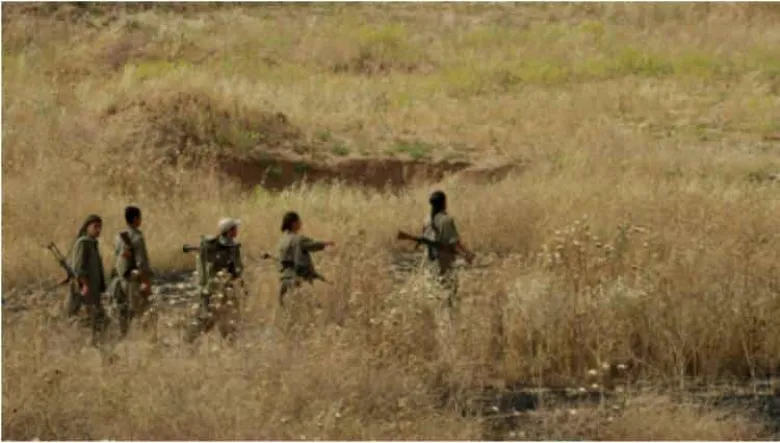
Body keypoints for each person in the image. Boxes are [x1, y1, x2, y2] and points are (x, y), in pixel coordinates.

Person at [184, 218, 245, 345]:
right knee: (208, 319)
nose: (237, 230)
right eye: (234, 228)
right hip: (216, 289)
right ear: (229, 231)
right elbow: (210, 266)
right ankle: (189, 340)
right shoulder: (216, 247)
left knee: (230, 319)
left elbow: (236, 269)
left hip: (226, 288)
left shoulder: (230, 246)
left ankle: (230, 343)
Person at [420, 190, 474, 314]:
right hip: (444, 262)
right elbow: (455, 243)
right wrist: (466, 255)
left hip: (430, 261)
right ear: (444, 203)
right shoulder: (446, 220)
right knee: (449, 294)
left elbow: (424, 238)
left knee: (434, 292)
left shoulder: (427, 220)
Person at [108, 206, 155, 339]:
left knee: (123, 314)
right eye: (140, 217)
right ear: (135, 219)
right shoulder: (137, 237)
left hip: (120, 281)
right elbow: (141, 263)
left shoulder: (119, 237)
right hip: (134, 282)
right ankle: (146, 340)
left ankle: (121, 338)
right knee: (146, 313)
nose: (141, 220)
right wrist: (146, 283)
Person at [276, 211, 334, 308]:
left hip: (284, 281)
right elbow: (313, 245)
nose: (301, 223)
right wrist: (326, 243)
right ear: (294, 223)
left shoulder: (282, 240)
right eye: (299, 221)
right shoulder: (299, 239)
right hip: (298, 279)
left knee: (289, 310)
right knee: (314, 308)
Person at [68, 214, 109, 346]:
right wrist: (85, 285)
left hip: (93, 292)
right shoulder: (83, 243)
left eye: (100, 227)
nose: (98, 230)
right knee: (86, 322)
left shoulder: (92, 243)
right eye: (95, 227)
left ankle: (96, 346)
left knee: (100, 322)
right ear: (87, 227)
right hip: (84, 291)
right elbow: (78, 268)